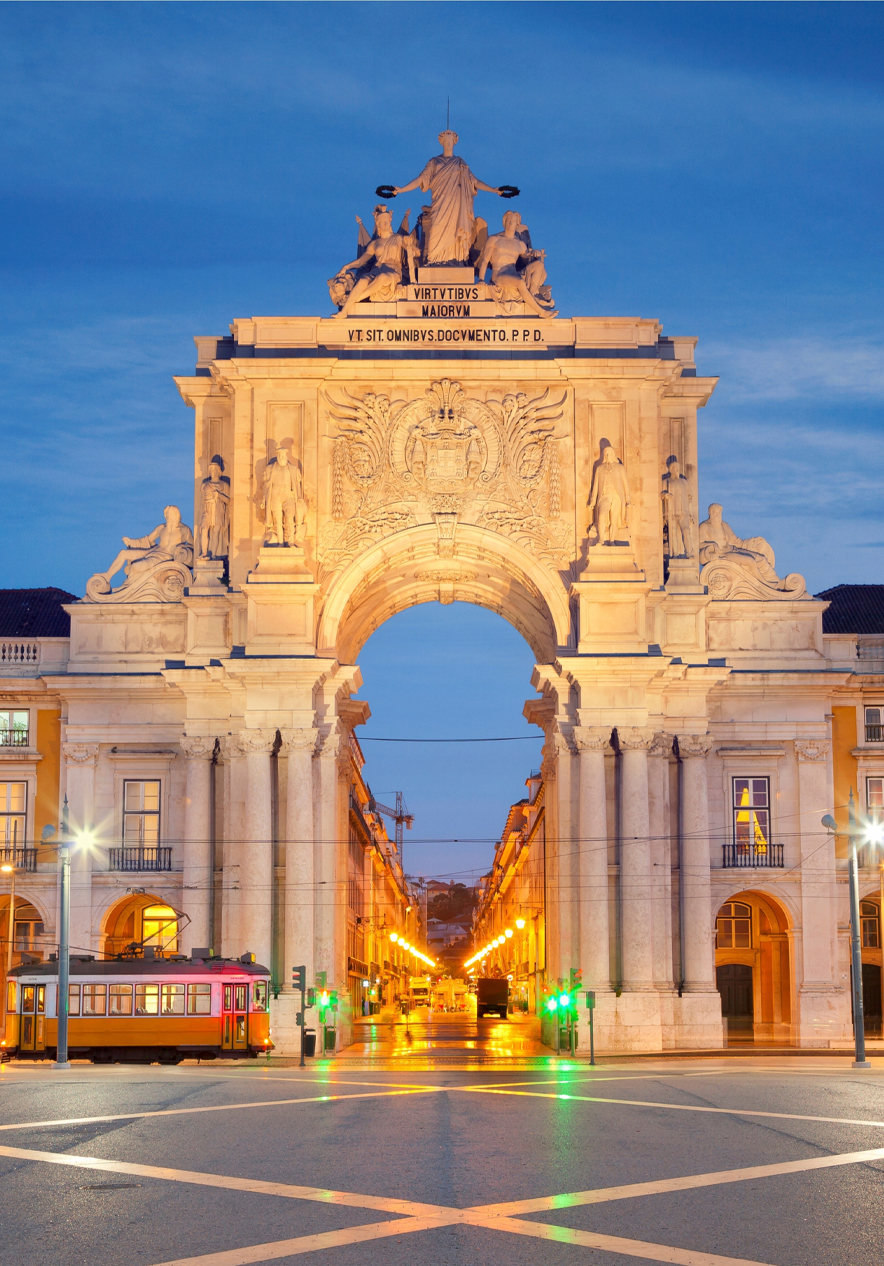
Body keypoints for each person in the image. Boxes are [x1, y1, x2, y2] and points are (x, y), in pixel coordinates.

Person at [391, 131, 506, 265]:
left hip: (456, 205)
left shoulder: (460, 163)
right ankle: (434, 260)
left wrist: (492, 189)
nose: (448, 144)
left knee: (455, 232)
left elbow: (474, 181)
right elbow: (420, 179)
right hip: (440, 204)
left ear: (454, 143)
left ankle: (456, 260)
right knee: (435, 232)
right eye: (446, 141)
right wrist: (402, 189)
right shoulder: (434, 162)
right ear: (442, 143)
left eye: (451, 141)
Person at [330, 205, 417, 318]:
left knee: (382, 278)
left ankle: (354, 300)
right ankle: (344, 312)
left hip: (393, 271)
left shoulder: (398, 238)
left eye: (387, 221)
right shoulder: (374, 244)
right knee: (362, 280)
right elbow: (361, 261)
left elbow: (416, 252)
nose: (386, 224)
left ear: (390, 222)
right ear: (378, 224)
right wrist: (346, 267)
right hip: (377, 270)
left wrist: (410, 243)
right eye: (382, 221)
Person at [475, 211, 557, 318]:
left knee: (539, 265)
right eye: (508, 220)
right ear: (504, 222)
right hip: (499, 276)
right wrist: (481, 279)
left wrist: (535, 254)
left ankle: (530, 295)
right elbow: (485, 260)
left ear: (517, 224)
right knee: (519, 283)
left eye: (513, 221)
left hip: (514, 274)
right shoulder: (494, 239)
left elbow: (528, 259)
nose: (510, 223)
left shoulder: (520, 244)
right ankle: (541, 312)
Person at [98, 506, 194, 587]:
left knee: (135, 567)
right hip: (153, 552)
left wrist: (181, 550)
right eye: (166, 515)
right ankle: (107, 576)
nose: (167, 517)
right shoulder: (161, 528)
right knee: (123, 553)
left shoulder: (184, 530)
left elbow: (193, 545)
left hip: (165, 557)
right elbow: (148, 540)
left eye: (169, 515)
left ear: (175, 515)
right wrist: (131, 542)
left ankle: (129, 588)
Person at [698, 503, 781, 584]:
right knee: (750, 561)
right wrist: (712, 544)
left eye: (719, 513)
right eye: (714, 513)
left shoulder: (724, 525)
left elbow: (736, 541)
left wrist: (752, 541)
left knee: (760, 557)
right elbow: (699, 544)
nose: (717, 516)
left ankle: (775, 582)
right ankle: (764, 584)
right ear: (709, 513)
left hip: (732, 549)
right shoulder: (704, 526)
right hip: (722, 554)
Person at [261, 448, 306, 547]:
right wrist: (264, 499)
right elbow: (266, 486)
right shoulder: (270, 469)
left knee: (290, 518)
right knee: (278, 519)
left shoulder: (293, 469)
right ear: (278, 457)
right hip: (275, 494)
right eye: (280, 456)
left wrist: (299, 497)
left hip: (288, 494)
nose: (282, 458)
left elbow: (297, 485)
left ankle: (290, 542)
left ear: (286, 457)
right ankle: (280, 542)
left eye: (283, 456)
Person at [588, 447, 631, 545]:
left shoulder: (620, 467)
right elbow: (595, 486)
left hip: (616, 497)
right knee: (601, 516)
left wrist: (628, 500)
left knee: (614, 519)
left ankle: (612, 541)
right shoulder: (599, 468)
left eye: (609, 453)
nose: (607, 455)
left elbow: (626, 484)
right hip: (604, 496)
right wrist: (593, 501)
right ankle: (601, 539)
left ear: (613, 454)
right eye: (605, 454)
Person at [198, 460, 230, 559]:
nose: (212, 471)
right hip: (207, 510)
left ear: (219, 471)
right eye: (210, 469)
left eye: (214, 469)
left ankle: (214, 555)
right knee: (204, 529)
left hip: (218, 509)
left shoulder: (224, 485)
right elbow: (202, 501)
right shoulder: (205, 485)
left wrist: (219, 495)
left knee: (216, 532)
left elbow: (228, 501)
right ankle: (204, 553)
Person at [661, 459, 693, 557]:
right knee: (673, 533)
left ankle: (689, 552)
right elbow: (661, 493)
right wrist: (665, 494)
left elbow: (689, 498)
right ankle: (675, 553)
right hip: (672, 510)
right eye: (675, 468)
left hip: (683, 510)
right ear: (671, 470)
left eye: (678, 468)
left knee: (686, 531)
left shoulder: (684, 482)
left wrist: (691, 514)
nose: (677, 470)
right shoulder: (666, 481)